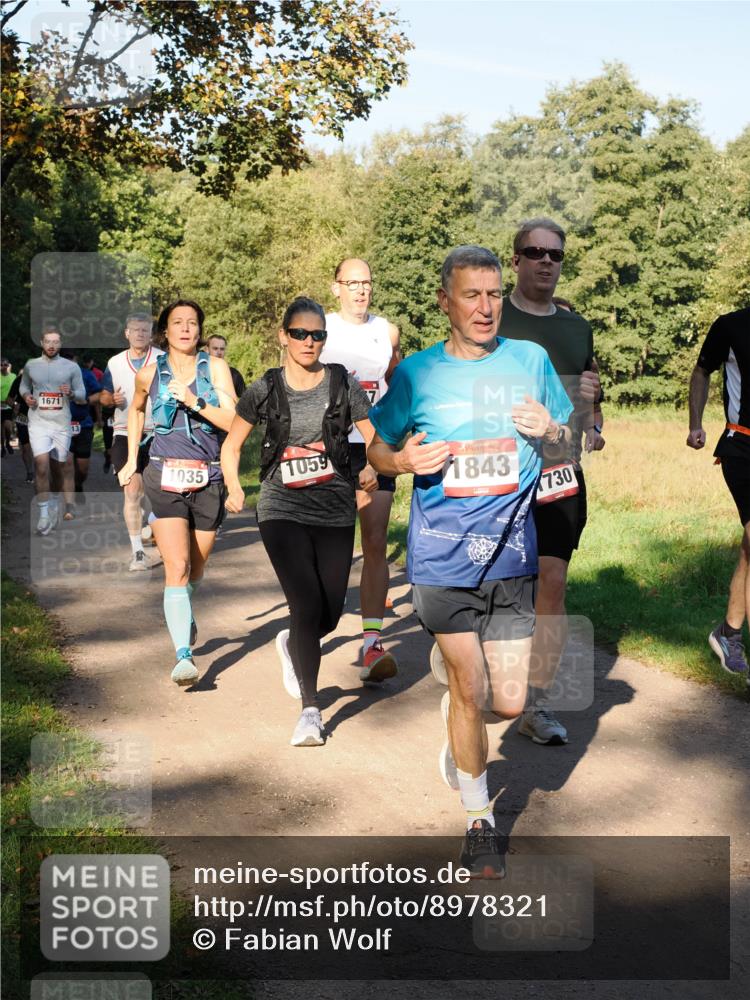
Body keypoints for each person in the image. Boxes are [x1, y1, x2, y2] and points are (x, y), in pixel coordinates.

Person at [367, 246, 572, 876]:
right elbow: (376, 447)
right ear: (445, 303)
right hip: (441, 558)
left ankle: (462, 728)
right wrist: (402, 462)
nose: (485, 308)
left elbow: (569, 437)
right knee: (470, 684)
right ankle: (479, 821)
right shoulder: (418, 374)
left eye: (492, 295)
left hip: (511, 557)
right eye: (470, 296)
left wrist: (551, 426)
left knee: (508, 703)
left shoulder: (530, 360)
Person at [222, 296, 376, 746]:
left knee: (330, 611)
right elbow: (231, 446)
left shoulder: (343, 384)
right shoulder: (265, 388)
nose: (309, 342)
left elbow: (374, 438)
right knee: (306, 606)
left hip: (334, 508)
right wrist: (233, 486)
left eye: (318, 335)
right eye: (300, 334)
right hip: (281, 507)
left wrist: (372, 466)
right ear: (283, 337)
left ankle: (292, 643)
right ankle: (311, 710)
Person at [493, 217, 603, 746]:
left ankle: (536, 703)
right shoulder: (493, 315)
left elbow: (588, 394)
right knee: (498, 587)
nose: (545, 261)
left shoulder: (576, 326)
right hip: (498, 475)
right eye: (534, 252)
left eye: (554, 254)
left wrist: (595, 419)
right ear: (515, 260)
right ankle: (485, 675)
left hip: (560, 472)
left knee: (552, 585)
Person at [119, 300, 236, 685]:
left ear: (200, 331)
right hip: (163, 474)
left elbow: (233, 420)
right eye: (177, 323)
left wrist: (193, 400)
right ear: (164, 332)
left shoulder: (215, 369)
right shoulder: (149, 373)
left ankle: (184, 608)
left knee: (196, 569)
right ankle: (183, 656)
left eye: (192, 323)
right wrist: (132, 458)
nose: (185, 329)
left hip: (209, 477)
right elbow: (136, 410)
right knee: (178, 566)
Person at [320, 257, 401, 681]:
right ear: (336, 287)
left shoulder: (386, 332)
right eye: (351, 282)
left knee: (374, 540)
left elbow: (393, 391)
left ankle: (372, 643)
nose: (360, 289)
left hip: (372, 447)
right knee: (330, 545)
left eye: (366, 282)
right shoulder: (321, 328)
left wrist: (380, 450)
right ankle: (311, 629)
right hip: (329, 450)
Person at [687, 306, 750, 675]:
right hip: (742, 446)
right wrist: (695, 423)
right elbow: (701, 371)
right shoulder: (731, 326)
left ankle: (729, 632)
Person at [100, 314, 164, 570]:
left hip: (159, 432)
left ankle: (153, 523)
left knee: (159, 492)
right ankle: (138, 553)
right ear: (126, 333)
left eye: (144, 330)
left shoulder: (162, 359)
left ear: (151, 334)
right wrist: (109, 400)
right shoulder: (114, 363)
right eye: (135, 330)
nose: (139, 334)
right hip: (125, 432)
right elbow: (103, 396)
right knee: (132, 490)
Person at [19, 329, 87, 534]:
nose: (51, 345)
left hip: (61, 425)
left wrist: (72, 393)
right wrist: (26, 397)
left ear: (60, 344)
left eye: (55, 342)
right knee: (40, 465)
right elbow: (24, 387)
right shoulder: (31, 365)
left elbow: (82, 394)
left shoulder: (71, 367)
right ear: (41, 342)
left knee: (58, 469)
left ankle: (55, 502)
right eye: (48, 341)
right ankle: (43, 514)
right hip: (38, 422)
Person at [64, 353, 102, 504]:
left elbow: (99, 394)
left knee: (82, 469)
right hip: (61, 426)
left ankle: (78, 485)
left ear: (75, 360)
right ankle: (68, 504)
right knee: (66, 465)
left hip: (83, 425)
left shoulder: (86, 375)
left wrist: (86, 400)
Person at [6, 370, 34, 482]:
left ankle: (43, 471)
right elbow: (9, 399)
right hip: (23, 417)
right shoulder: (19, 380)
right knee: (26, 447)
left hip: (41, 417)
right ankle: (30, 472)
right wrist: (15, 405)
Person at [1, 358, 15, 455]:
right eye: (1, 365)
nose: (3, 367)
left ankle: (8, 443)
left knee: (8, 427)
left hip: (9, 405)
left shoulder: (13, 376)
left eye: (5, 365)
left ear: (8, 365)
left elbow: (17, 389)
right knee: (1, 428)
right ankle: (2, 447)